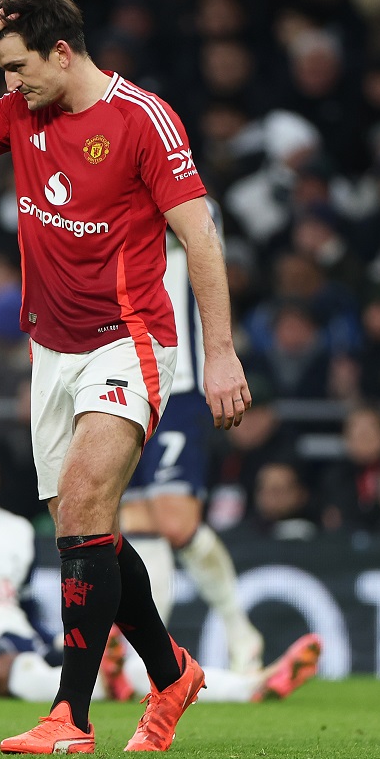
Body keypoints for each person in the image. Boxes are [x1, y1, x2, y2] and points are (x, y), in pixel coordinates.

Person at [0, 0, 252, 754]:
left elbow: (201, 238)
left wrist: (220, 351)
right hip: (51, 351)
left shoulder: (143, 120)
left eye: (19, 66)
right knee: (82, 527)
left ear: (63, 52)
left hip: (128, 340)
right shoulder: (23, 110)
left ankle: (72, 714)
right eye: (2, 71)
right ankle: (173, 674)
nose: (11, 84)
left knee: (91, 499)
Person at [0, 431, 320, 705]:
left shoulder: (17, 529)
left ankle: (249, 686)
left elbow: (20, 599)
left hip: (22, 642)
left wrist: (47, 636)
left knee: (125, 668)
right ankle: (100, 683)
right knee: (12, 669)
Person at [120, 221, 265, 673]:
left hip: (177, 382)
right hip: (118, 380)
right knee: (134, 520)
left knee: (175, 520)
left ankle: (239, 629)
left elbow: (200, 237)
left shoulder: (181, 191)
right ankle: (139, 659)